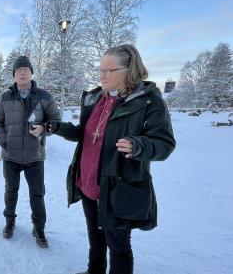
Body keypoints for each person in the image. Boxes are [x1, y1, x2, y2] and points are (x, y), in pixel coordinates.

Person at [48, 44, 176, 274]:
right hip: (87, 182)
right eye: (101, 70)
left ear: (129, 70)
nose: (103, 75)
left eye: (110, 70)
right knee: (95, 238)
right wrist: (57, 127)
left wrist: (139, 145)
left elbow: (164, 144)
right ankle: (94, 271)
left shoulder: (147, 101)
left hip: (117, 187)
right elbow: (84, 134)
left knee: (118, 246)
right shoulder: (94, 98)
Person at [0, 56, 60, 248]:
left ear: (31, 73)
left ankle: (39, 227)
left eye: (26, 69)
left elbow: (56, 122)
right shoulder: (4, 97)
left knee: (37, 194)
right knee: (10, 192)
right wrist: (4, 142)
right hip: (11, 156)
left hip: (34, 157)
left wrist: (45, 128)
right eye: (18, 70)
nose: (22, 72)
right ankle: (9, 221)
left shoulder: (44, 96)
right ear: (13, 75)